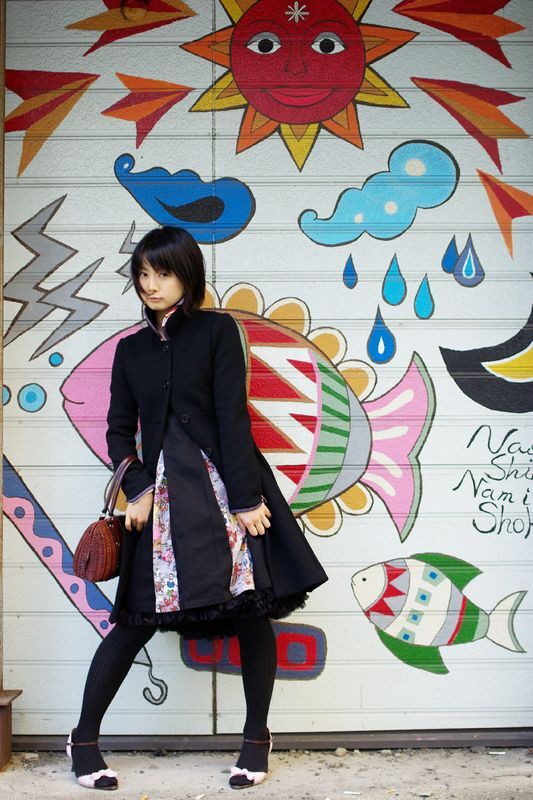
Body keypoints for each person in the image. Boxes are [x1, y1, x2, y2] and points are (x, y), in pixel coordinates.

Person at [67, 225, 328, 791]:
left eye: (162, 273)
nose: (151, 284)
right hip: (160, 500)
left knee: (251, 612)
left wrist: (246, 499)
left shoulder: (217, 331)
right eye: (142, 273)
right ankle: (83, 741)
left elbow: (234, 416)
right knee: (134, 621)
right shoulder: (130, 350)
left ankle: (256, 740)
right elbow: (118, 431)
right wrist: (138, 489)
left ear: (188, 275)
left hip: (224, 492)